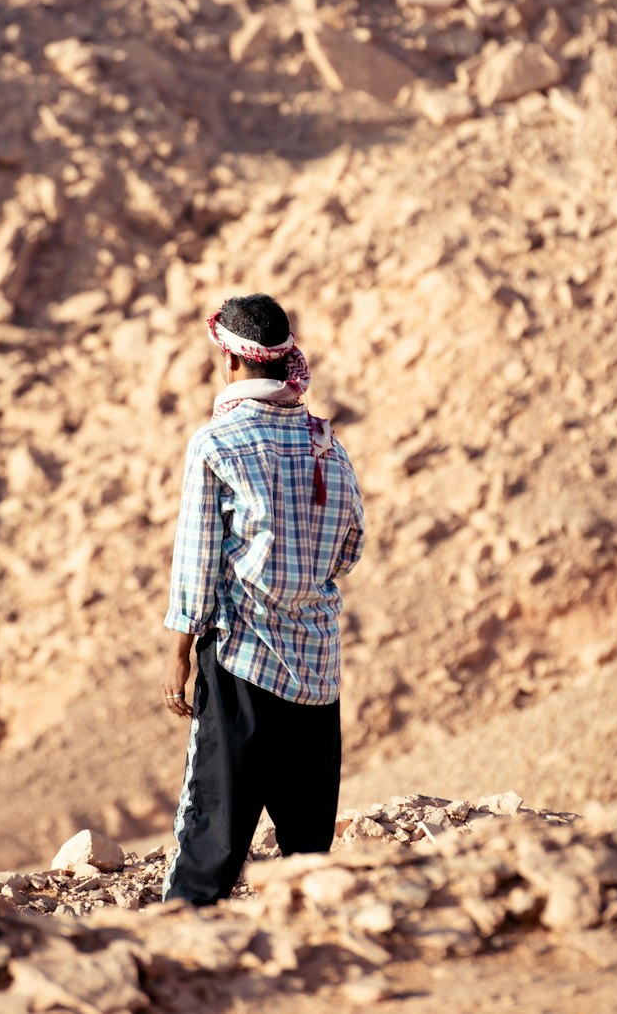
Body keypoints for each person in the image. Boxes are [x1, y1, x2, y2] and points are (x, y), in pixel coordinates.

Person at [161, 292, 365, 905]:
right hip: (317, 667)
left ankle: (176, 966)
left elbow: (196, 560)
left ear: (231, 363)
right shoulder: (326, 442)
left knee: (213, 839)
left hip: (242, 661)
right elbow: (350, 546)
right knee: (308, 847)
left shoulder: (215, 445)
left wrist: (180, 652)